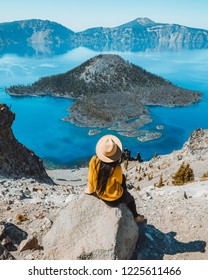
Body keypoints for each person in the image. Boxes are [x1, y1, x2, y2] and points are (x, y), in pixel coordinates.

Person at [84, 134, 144, 223]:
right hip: (113, 200)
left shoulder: (94, 160)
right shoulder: (116, 168)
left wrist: (91, 190)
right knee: (130, 199)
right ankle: (136, 217)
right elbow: (119, 181)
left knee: (121, 178)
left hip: (97, 192)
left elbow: (91, 176)